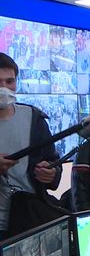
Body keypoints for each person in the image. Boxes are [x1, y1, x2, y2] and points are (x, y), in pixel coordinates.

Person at [0, 52, 62, 240]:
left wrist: (51, 174)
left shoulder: (34, 119)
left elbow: (53, 163)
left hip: (29, 222)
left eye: (9, 81)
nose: (4, 88)